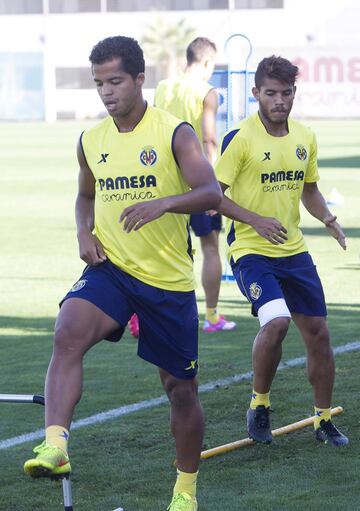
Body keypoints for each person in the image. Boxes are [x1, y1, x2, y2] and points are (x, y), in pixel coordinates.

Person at [23, 35, 222, 511]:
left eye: (115, 81)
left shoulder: (175, 133)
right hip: (111, 268)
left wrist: (165, 203)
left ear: (139, 79)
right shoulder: (90, 140)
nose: (107, 92)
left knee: (180, 391)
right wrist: (82, 232)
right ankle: (55, 444)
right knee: (67, 332)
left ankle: (185, 491)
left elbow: (211, 192)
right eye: (98, 83)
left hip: (167, 282)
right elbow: (85, 195)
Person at [214, 55, 349, 446]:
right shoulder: (239, 138)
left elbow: (308, 189)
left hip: (294, 251)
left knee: (319, 334)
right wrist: (255, 220)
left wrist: (329, 219)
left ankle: (323, 420)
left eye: (286, 93)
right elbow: (212, 196)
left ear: (294, 93)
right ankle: (259, 404)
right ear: (255, 93)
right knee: (276, 322)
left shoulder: (305, 136)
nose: (279, 101)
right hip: (251, 250)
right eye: (270, 93)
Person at [154, 37, 236, 333]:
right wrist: (212, 186)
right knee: (210, 247)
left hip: (164, 179)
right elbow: (209, 138)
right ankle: (212, 316)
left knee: (162, 249)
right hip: (197, 180)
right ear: (207, 63)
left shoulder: (164, 87)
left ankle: (146, 312)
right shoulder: (206, 91)